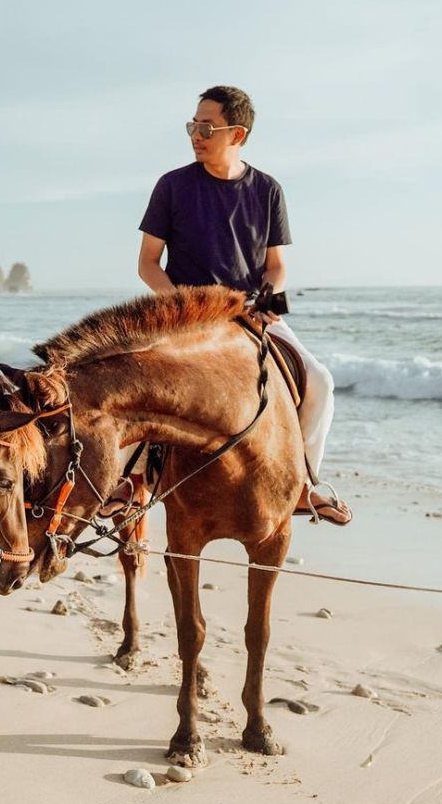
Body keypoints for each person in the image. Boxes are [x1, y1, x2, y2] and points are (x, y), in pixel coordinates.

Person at [136, 85, 351, 524]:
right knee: (133, 380)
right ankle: (131, 482)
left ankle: (304, 483)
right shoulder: (172, 186)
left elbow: (276, 266)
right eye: (192, 126)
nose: (195, 135)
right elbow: (147, 265)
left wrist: (269, 301)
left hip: (249, 312)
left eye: (206, 127)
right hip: (184, 311)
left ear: (238, 134)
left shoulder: (268, 189)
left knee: (322, 383)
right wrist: (185, 304)